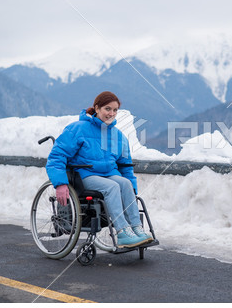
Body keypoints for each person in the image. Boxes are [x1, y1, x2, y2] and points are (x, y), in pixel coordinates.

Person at [46, 91, 153, 248]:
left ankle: (136, 229)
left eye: (115, 110)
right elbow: (56, 157)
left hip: (109, 174)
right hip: (85, 176)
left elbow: (125, 164)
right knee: (113, 187)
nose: (111, 113)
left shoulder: (119, 136)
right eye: (107, 109)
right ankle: (123, 232)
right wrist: (60, 183)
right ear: (97, 108)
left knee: (125, 184)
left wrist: (132, 186)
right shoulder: (77, 129)